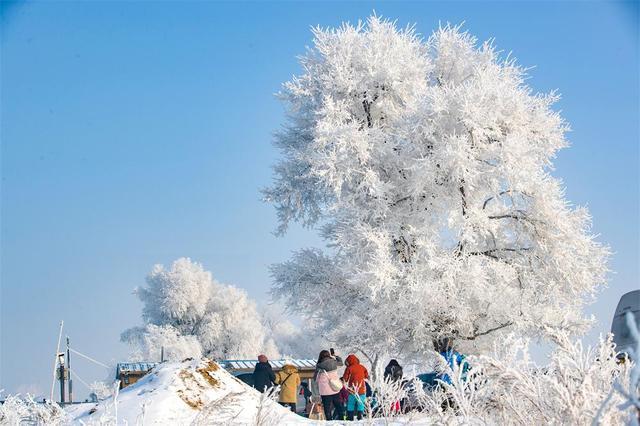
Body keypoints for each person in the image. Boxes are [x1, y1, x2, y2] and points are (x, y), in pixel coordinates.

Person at [314, 349, 345, 420]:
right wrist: (335, 355)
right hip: (334, 388)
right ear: (329, 355)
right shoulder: (334, 362)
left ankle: (329, 421)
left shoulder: (319, 365)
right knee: (338, 406)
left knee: (327, 408)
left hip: (325, 391)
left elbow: (315, 378)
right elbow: (341, 363)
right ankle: (342, 420)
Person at [342, 354, 369, 420]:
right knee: (360, 404)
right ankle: (360, 416)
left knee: (351, 404)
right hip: (361, 389)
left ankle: (350, 418)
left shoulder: (349, 368)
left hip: (352, 390)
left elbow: (345, 379)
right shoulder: (362, 367)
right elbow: (366, 376)